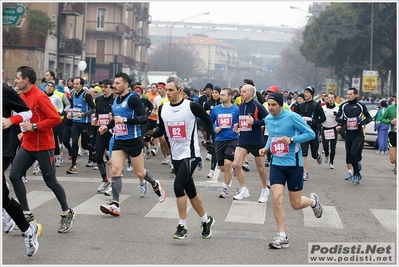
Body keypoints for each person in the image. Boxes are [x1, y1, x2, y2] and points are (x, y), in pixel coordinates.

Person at [9, 66, 76, 233]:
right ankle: (26, 214)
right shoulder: (22, 96)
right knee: (14, 175)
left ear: (26, 80)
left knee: (50, 181)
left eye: (17, 78)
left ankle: (67, 212)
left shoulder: (40, 97)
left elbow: (55, 119)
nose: (15, 80)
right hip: (28, 145)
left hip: (44, 146)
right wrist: (23, 132)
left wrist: (34, 126)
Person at [150, 75, 215, 239]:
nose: (168, 92)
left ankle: (182, 226)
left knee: (178, 186)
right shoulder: (163, 108)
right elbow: (162, 129)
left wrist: (208, 140)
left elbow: (208, 120)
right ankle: (206, 220)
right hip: (176, 155)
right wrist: (149, 136)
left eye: (171, 90)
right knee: (190, 191)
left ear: (180, 90)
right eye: (166, 89)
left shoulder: (191, 106)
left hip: (191, 154)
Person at [259, 92, 323, 249]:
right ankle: (282, 236)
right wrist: (266, 149)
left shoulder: (292, 117)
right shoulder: (267, 119)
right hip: (277, 164)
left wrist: (292, 139)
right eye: (269, 104)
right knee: (276, 198)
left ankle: (313, 202)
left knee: (295, 204)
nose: (271, 107)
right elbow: (271, 138)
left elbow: (310, 134)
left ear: (281, 104)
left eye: (274, 105)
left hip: (294, 164)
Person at [98, 72, 166, 216]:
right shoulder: (115, 100)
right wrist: (107, 127)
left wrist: (125, 121)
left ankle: (155, 184)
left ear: (126, 85)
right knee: (115, 169)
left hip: (133, 140)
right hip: (119, 140)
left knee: (140, 172)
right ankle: (115, 204)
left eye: (117, 83)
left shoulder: (133, 99)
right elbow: (115, 119)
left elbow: (143, 118)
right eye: (114, 83)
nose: (113, 86)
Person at [3, 82, 43, 257]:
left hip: (3, 149)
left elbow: (27, 112)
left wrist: (11, 120)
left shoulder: (4, 90)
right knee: (3, 197)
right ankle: (28, 229)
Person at [232, 84, 270, 202]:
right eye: (241, 91)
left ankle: (265, 189)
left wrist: (255, 122)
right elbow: (241, 119)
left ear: (251, 93)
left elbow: (268, 120)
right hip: (243, 139)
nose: (241, 93)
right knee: (236, 164)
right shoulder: (241, 105)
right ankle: (243, 189)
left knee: (260, 168)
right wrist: (237, 126)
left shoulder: (257, 105)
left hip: (256, 140)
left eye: (244, 91)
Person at [335, 87, 372, 185]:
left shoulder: (361, 106)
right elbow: (339, 117)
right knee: (350, 155)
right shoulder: (343, 106)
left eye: (351, 94)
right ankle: (357, 171)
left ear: (356, 95)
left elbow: (369, 117)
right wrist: (340, 124)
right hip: (349, 134)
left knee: (354, 154)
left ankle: (356, 173)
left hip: (358, 134)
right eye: (348, 94)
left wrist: (363, 122)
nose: (349, 96)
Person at [210, 87, 239, 198]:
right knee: (222, 168)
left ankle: (225, 189)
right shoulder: (216, 109)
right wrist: (214, 128)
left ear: (230, 97)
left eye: (223, 95)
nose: (220, 96)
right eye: (220, 94)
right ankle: (234, 167)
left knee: (228, 164)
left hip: (233, 139)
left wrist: (238, 128)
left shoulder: (236, 110)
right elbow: (210, 122)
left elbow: (241, 123)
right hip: (219, 140)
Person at [294, 86, 326, 181]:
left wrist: (313, 122)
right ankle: (305, 173)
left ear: (311, 94)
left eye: (308, 92)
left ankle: (318, 155)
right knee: (304, 153)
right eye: (305, 92)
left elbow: (323, 118)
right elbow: (297, 117)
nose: (306, 94)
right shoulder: (301, 106)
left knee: (313, 154)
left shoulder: (316, 105)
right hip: (303, 133)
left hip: (313, 132)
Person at [65, 77, 96, 174]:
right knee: (74, 143)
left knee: (84, 145)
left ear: (82, 85)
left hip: (85, 124)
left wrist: (82, 114)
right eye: (74, 83)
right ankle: (73, 166)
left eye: (77, 84)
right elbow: (74, 107)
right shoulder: (73, 94)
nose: (75, 85)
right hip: (76, 123)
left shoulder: (86, 95)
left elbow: (94, 109)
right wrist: (71, 114)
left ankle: (94, 150)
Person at [93, 79, 115, 193]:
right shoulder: (98, 99)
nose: (103, 89)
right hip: (101, 131)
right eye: (101, 87)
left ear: (111, 88)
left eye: (106, 87)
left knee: (113, 160)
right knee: (98, 156)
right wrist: (96, 119)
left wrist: (113, 118)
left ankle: (113, 183)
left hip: (113, 133)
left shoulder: (115, 100)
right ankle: (105, 180)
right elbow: (97, 114)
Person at [204, 86, 221, 179]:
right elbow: (203, 117)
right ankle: (212, 170)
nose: (214, 94)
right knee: (214, 149)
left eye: (216, 93)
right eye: (213, 93)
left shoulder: (223, 103)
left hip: (223, 130)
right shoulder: (208, 103)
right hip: (213, 129)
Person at [321, 92, 339, 169]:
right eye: (329, 98)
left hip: (333, 128)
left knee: (333, 146)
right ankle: (326, 154)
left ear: (334, 99)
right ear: (326, 99)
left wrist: (337, 116)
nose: (330, 99)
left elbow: (340, 119)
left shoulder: (337, 109)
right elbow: (320, 117)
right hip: (325, 127)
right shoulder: (323, 108)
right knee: (325, 145)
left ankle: (331, 162)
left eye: (332, 98)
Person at [380, 94, 397, 174]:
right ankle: (395, 164)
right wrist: (390, 122)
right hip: (393, 134)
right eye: (395, 97)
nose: (396, 99)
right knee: (393, 159)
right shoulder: (390, 108)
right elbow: (382, 119)